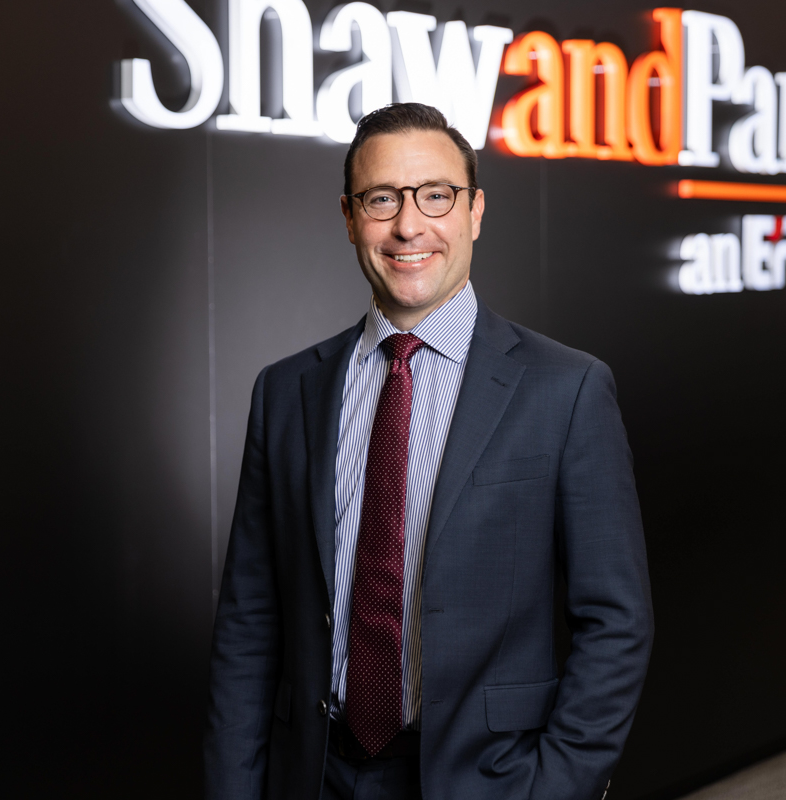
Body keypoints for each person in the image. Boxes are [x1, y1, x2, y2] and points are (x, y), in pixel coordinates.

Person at [204, 103, 653, 800]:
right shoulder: (285, 392)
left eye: (435, 195)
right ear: (350, 218)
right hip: (314, 776)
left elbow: (616, 622)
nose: (409, 225)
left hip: (489, 784)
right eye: (382, 199)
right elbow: (249, 622)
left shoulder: (567, 389)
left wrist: (555, 787)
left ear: (474, 211)